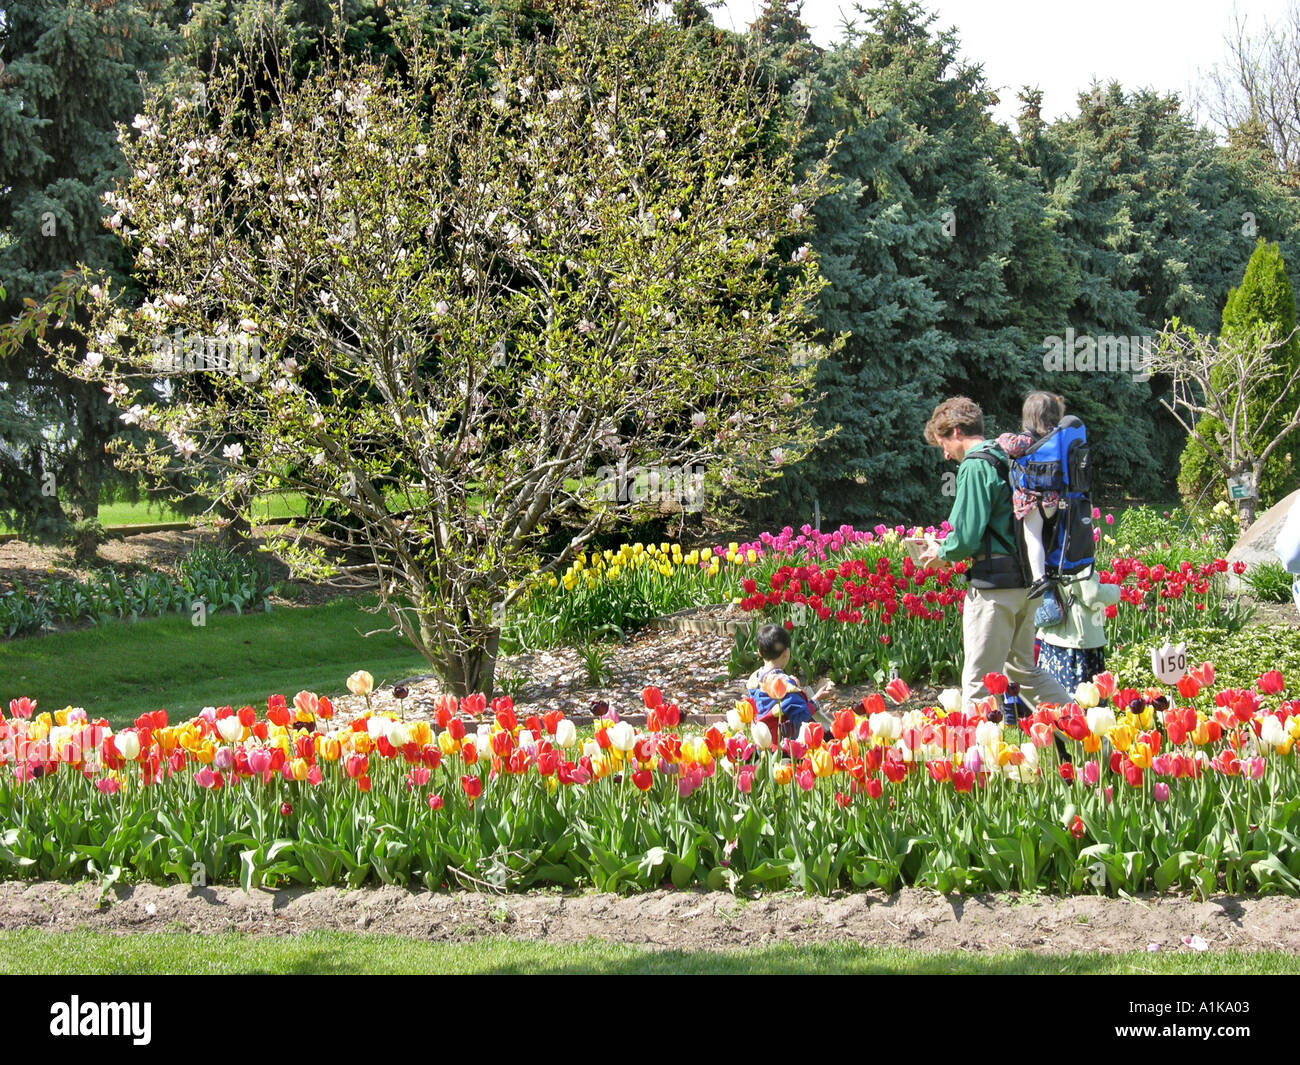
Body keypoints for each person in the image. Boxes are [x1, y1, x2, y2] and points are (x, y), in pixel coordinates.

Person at [919, 396, 1071, 713]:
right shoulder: (1009, 454)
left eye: (943, 443)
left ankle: (982, 762)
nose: (945, 454)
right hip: (1028, 583)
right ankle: (1085, 735)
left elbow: (967, 537)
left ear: (957, 431)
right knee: (1023, 673)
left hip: (994, 591)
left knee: (978, 684)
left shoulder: (975, 466)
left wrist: (941, 551)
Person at [994, 391, 1066, 627]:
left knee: (1032, 537)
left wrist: (1001, 437)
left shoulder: (1026, 440)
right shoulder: (1058, 438)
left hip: (1030, 501)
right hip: (1053, 499)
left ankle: (1039, 579)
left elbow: (1009, 444)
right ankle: (1053, 570)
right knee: (1047, 537)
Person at [746, 623, 833, 746]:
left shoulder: (754, 680)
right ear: (786, 652)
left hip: (761, 741)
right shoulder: (786, 685)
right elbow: (800, 716)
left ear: (759, 652)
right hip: (785, 746)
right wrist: (816, 698)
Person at [1036, 571, 1121, 694]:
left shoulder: (1050, 552)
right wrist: (1116, 590)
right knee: (1082, 702)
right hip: (1078, 643)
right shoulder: (1078, 554)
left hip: (1052, 639)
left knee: (1054, 699)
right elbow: (1092, 596)